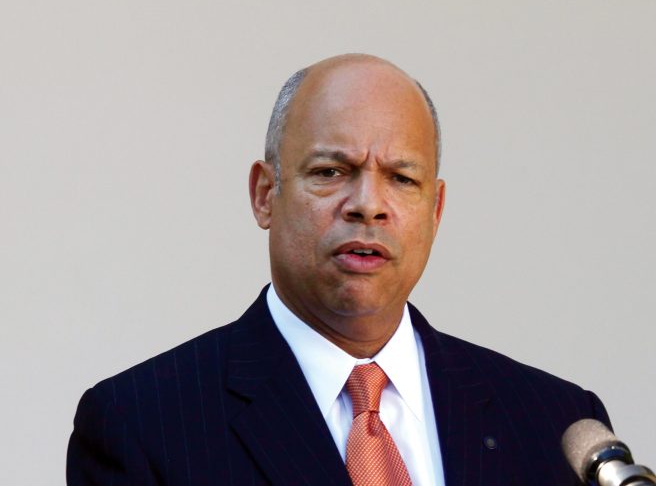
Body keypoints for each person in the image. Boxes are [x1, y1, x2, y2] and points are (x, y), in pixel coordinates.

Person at [67, 54, 611, 485]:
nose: (368, 205)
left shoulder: (556, 423)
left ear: (436, 210)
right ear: (264, 195)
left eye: (402, 179)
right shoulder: (142, 424)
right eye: (331, 171)